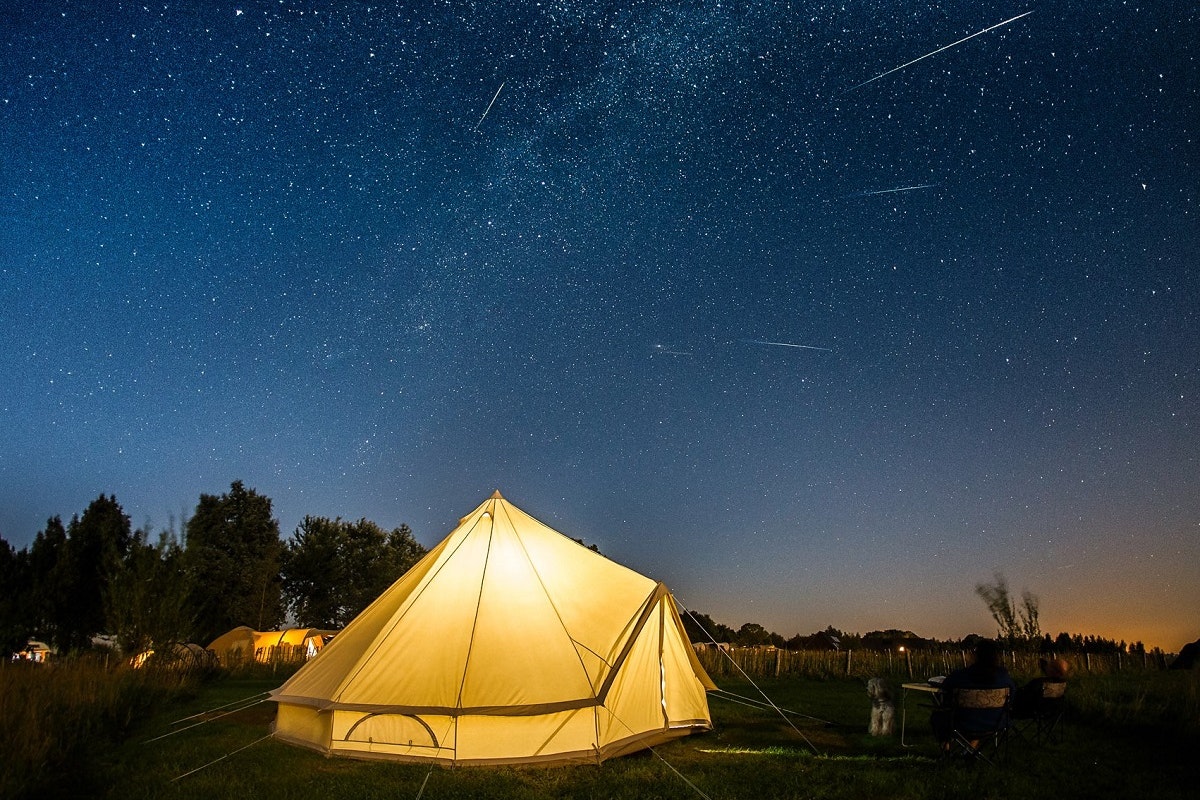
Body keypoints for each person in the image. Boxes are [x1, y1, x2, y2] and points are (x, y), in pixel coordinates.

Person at [930, 638, 1016, 747]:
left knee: (938, 716)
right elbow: (1011, 697)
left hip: (963, 722)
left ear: (975, 655)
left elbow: (945, 691)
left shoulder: (959, 676)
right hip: (996, 723)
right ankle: (971, 748)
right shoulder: (1003, 677)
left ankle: (946, 748)